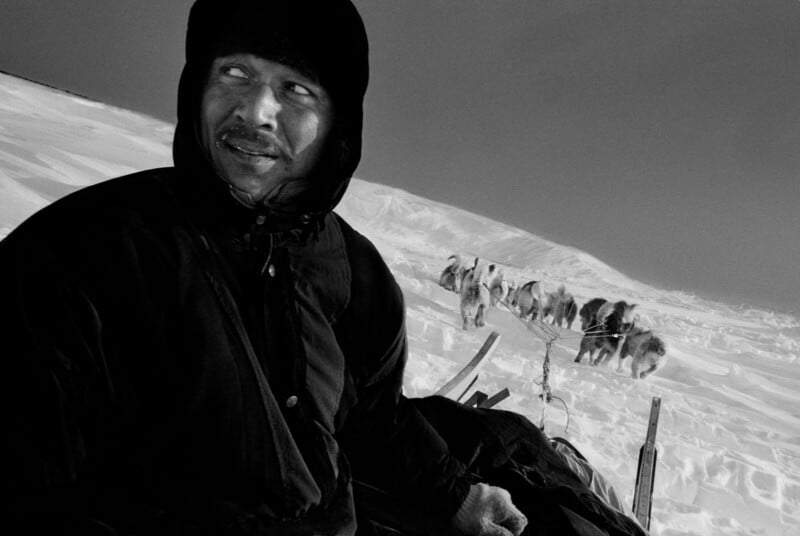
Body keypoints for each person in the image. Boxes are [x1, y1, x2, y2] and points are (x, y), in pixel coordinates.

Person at [1, 1, 647, 535]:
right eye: (233, 74)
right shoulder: (81, 255)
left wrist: (458, 496)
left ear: (338, 122)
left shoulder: (354, 273)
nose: (255, 112)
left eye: (295, 89)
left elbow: (372, 419)